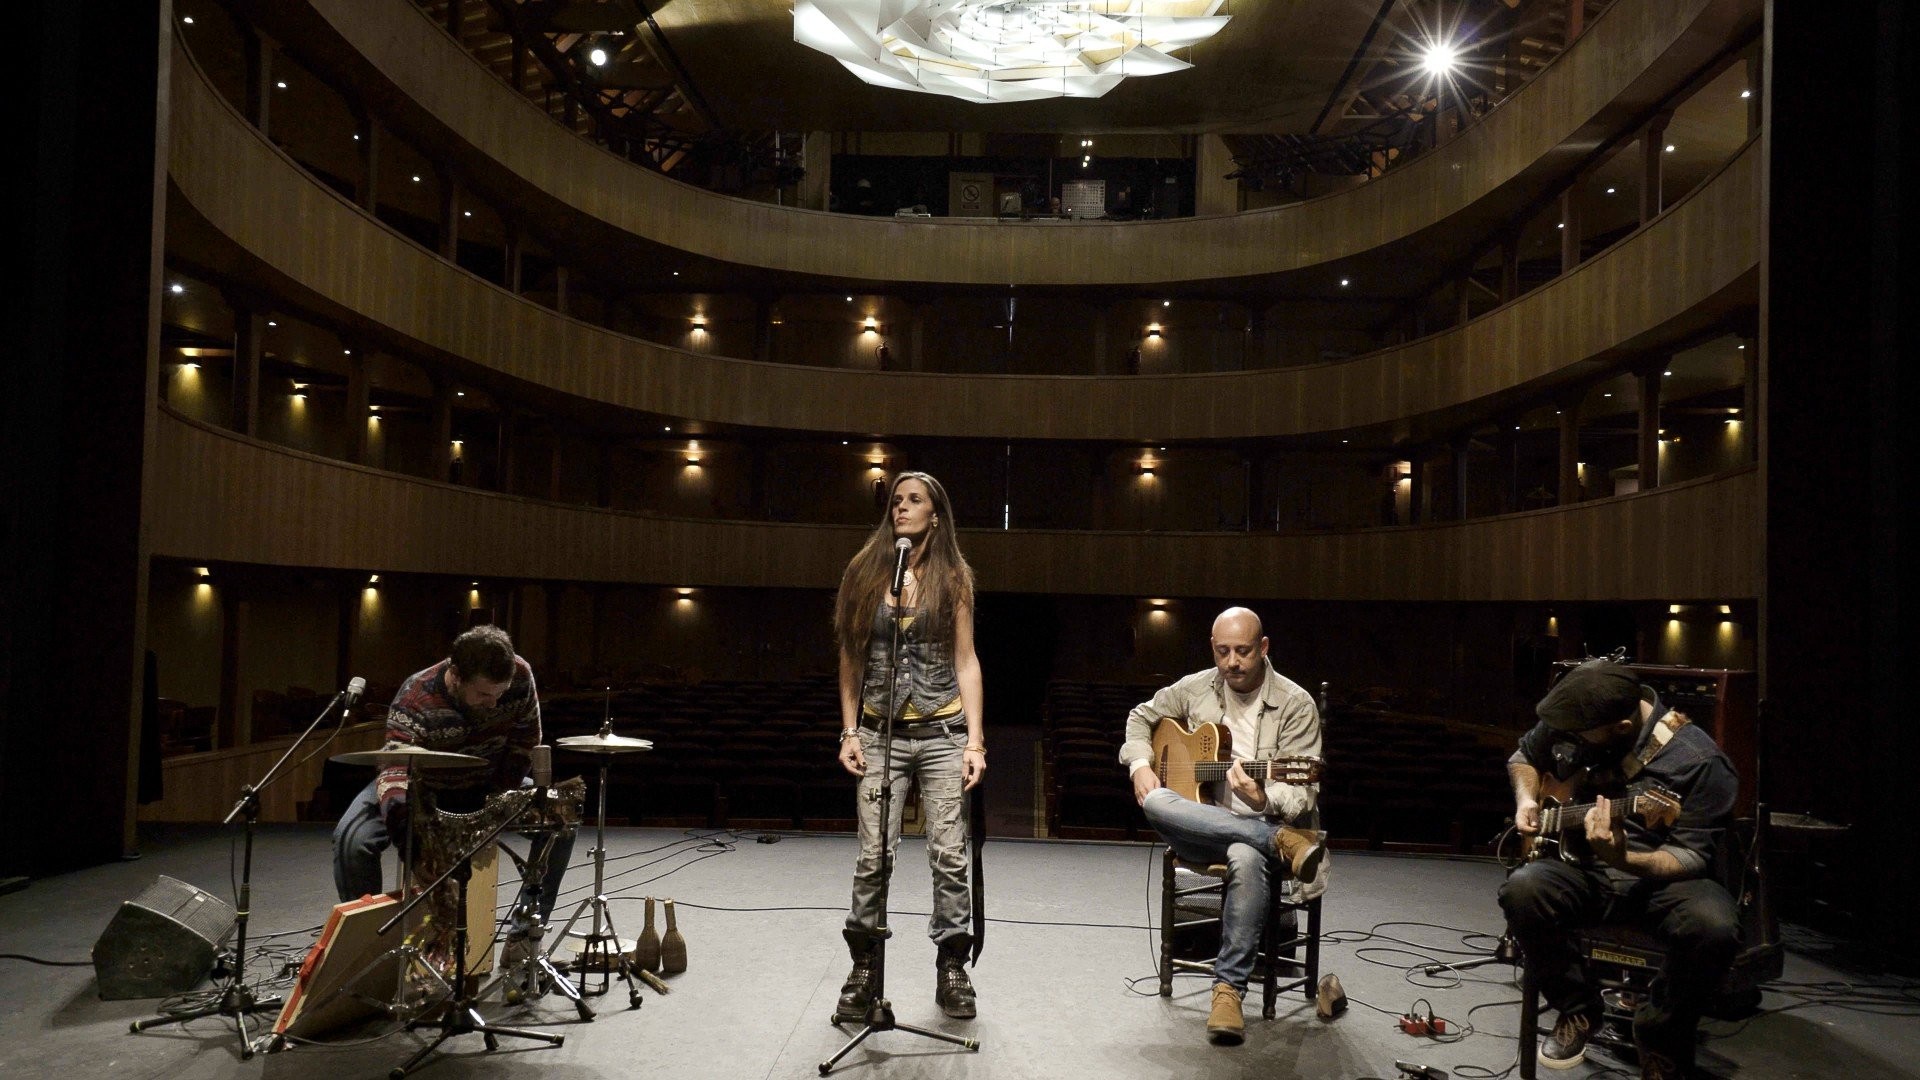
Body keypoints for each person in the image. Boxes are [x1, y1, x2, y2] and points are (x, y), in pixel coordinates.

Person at [1499, 660, 1740, 1080]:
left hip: (1665, 875)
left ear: (1623, 727)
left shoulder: (1700, 762)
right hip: (1585, 866)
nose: (1569, 739)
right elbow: (1523, 757)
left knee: (1714, 927)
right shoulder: (1578, 716)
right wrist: (1526, 800)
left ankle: (1660, 1033)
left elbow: (1690, 857)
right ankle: (1578, 1008)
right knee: (1522, 890)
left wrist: (1623, 858)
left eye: (1579, 736)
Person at [1119, 607, 1327, 1044]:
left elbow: (1302, 788)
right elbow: (1141, 717)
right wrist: (1140, 763)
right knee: (1156, 799)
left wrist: (1262, 797)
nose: (1232, 662)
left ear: (1263, 648)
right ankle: (1281, 843)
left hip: (1259, 822)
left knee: (1247, 857)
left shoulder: (1295, 703)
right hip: (1202, 824)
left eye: (1243, 651)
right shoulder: (1195, 688)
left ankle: (1227, 991)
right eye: (1223, 651)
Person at [832, 472, 987, 1020]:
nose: (901, 508)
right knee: (874, 855)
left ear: (935, 515)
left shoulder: (954, 577)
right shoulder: (866, 571)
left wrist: (976, 741)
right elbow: (851, 657)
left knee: (948, 854)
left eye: (914, 500)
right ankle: (865, 969)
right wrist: (850, 730)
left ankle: (951, 968)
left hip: (943, 730)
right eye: (896, 501)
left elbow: (966, 660)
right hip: (879, 732)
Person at [332, 625, 574, 961]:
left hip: (488, 784)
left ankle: (523, 934)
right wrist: (409, 835)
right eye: (483, 695)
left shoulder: (519, 675)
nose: (494, 704)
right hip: (423, 789)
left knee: (561, 820)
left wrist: (494, 801)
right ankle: (372, 951)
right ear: (456, 675)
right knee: (352, 841)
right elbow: (393, 771)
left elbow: (524, 744)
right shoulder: (415, 696)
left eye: (499, 695)